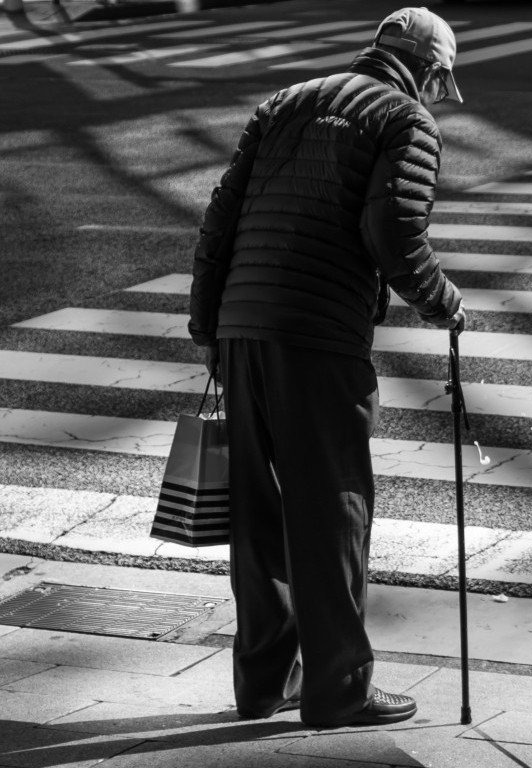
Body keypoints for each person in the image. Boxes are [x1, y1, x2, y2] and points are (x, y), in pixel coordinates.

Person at [187, 7, 467, 729]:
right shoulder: (405, 121)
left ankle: (262, 684)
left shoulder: (285, 101)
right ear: (430, 73)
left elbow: (221, 215)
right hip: (317, 338)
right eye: (441, 83)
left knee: (257, 514)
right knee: (331, 509)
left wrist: (208, 324)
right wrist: (442, 301)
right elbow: (391, 229)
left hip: (242, 330)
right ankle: (339, 689)